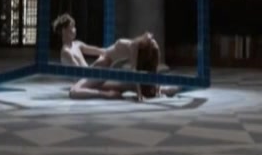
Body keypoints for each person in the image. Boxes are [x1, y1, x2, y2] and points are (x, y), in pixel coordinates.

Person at [52, 13, 180, 100]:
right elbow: (78, 72)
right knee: (122, 85)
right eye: (72, 27)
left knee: (75, 91)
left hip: (96, 69)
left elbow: (99, 51)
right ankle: (161, 89)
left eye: (74, 27)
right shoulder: (66, 51)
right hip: (92, 72)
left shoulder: (78, 44)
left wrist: (110, 53)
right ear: (64, 31)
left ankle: (160, 89)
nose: (75, 30)